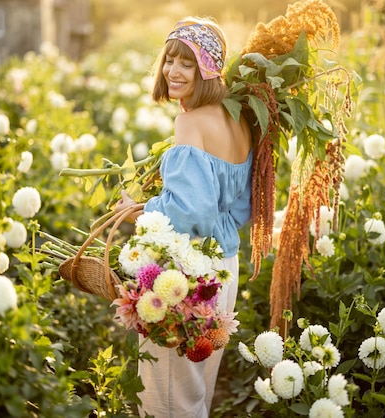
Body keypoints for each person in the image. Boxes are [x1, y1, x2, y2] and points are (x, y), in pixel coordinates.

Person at [115, 17, 253, 418]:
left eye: (187, 63)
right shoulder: (239, 120)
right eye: (169, 59)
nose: (172, 71)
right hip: (224, 267)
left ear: (207, 71)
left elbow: (192, 211)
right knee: (197, 391)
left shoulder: (189, 121)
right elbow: (233, 209)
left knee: (168, 398)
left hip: (187, 271)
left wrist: (139, 209)